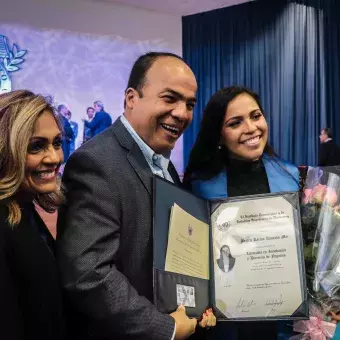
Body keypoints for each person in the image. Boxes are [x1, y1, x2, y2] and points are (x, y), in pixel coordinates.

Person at [56, 52, 215, 340]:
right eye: (170, 98)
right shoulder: (96, 162)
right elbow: (88, 273)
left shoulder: (164, 165)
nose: (182, 113)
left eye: (190, 104)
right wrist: (165, 328)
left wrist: (196, 305)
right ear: (131, 98)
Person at [183, 86, 299, 340]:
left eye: (256, 116)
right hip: (223, 324)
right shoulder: (198, 187)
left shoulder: (292, 178)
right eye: (235, 123)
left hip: (283, 321)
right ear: (219, 135)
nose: (251, 128)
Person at [0, 90, 68, 339]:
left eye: (57, 143)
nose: (54, 157)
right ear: (6, 150)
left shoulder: (23, 208)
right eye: (37, 146)